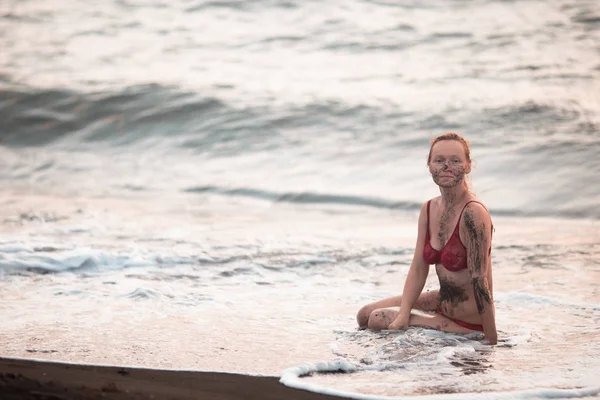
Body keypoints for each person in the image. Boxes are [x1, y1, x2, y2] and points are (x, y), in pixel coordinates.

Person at [356, 132, 497, 345]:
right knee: (365, 314)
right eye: (439, 160)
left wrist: (491, 341)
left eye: (455, 160)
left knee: (377, 319)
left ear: (468, 166)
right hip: (442, 302)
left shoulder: (473, 213)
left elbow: (480, 282)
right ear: (429, 165)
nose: (446, 166)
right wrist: (403, 313)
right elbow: (419, 267)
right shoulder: (429, 208)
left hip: (468, 322)